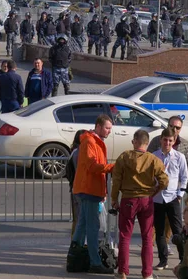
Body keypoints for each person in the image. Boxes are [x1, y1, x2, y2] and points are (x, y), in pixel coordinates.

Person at [111, 130, 169, 279]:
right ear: (147, 143)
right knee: (147, 238)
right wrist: (154, 192)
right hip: (146, 200)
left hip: (128, 199)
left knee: (125, 236)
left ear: (135, 141)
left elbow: (116, 180)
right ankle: (147, 274)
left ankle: (123, 272)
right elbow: (164, 180)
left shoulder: (124, 157)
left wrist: (114, 199)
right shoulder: (153, 159)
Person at [70, 114, 115, 274]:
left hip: (89, 188)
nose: (110, 131)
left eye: (110, 128)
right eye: (107, 128)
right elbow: (93, 166)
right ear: (98, 126)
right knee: (92, 226)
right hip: (89, 189)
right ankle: (94, 262)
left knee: (82, 225)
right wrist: (111, 167)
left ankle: (75, 255)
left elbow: (94, 166)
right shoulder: (90, 141)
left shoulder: (93, 141)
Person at [152, 128, 188, 271]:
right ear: (161, 140)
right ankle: (163, 260)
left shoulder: (179, 157)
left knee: (177, 230)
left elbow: (184, 177)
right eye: (165, 140)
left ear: (174, 141)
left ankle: (183, 259)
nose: (167, 143)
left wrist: (180, 194)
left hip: (173, 197)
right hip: (158, 198)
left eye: (170, 140)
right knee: (160, 231)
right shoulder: (154, 156)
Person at [68, 129, 87, 237]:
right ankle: (77, 244)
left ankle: (74, 243)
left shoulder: (74, 151)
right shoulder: (79, 153)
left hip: (74, 188)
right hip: (79, 189)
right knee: (80, 219)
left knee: (77, 219)